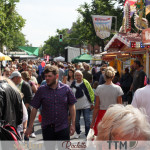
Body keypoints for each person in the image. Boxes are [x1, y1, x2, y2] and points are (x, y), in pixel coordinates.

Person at [25, 66, 77, 141]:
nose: (47, 78)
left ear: (56, 76)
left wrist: (73, 124)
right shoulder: (41, 90)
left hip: (63, 127)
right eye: (45, 76)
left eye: (49, 76)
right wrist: (30, 127)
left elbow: (72, 105)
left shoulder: (66, 89)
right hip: (47, 128)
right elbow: (35, 108)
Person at [90, 66, 123, 136]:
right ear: (113, 76)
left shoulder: (99, 88)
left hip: (102, 115)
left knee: (101, 138)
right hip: (114, 115)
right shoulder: (118, 88)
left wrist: (93, 121)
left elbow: (96, 106)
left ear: (104, 76)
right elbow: (120, 106)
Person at [71, 70, 94, 138]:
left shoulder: (85, 82)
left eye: (79, 75)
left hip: (86, 105)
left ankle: (87, 134)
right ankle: (78, 132)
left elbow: (91, 92)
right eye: (76, 75)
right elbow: (71, 94)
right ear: (75, 76)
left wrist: (92, 102)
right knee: (76, 121)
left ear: (82, 76)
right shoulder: (73, 84)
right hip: (76, 106)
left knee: (87, 121)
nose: (78, 77)